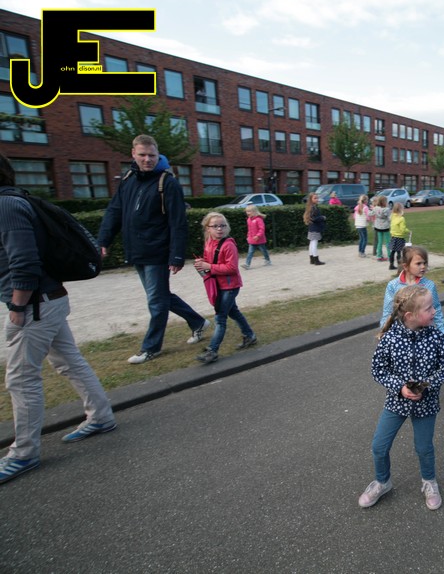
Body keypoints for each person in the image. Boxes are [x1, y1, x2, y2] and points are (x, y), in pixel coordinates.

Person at [0, 154, 116, 485]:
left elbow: (24, 262)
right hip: (47, 300)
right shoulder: (15, 201)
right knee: (69, 362)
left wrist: (17, 307)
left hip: (35, 305)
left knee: (21, 379)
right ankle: (101, 416)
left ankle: (23, 454)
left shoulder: (5, 206)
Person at [97, 134, 210, 365]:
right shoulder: (128, 179)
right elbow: (114, 211)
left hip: (157, 251)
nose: (147, 159)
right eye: (142, 155)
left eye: (152, 155)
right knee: (159, 296)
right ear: (133, 154)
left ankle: (151, 348)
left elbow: (178, 222)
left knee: (156, 301)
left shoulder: (167, 183)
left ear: (158, 155)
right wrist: (103, 240)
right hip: (137, 249)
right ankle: (197, 321)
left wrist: (176, 255)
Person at [359, 285, 444, 510]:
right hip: (396, 402)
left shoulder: (436, 336)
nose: (434, 311)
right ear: (410, 315)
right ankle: (382, 482)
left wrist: (427, 385)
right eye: (429, 308)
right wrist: (400, 387)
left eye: (433, 306)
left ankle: (429, 482)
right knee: (379, 446)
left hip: (426, 404)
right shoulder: (389, 339)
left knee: (424, 448)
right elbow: (378, 370)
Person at [192, 213, 257, 364]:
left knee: (220, 318)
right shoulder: (209, 242)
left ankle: (212, 351)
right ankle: (250, 336)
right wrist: (202, 263)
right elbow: (210, 261)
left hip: (230, 286)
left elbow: (232, 268)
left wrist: (209, 266)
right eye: (215, 226)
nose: (219, 229)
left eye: (222, 225)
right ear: (207, 228)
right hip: (219, 285)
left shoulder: (228, 245)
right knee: (233, 312)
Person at [380, 245, 444, 333]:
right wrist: (384, 332)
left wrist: (443, 331)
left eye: (424, 263)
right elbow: (388, 311)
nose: (423, 266)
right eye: (418, 263)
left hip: (424, 333)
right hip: (400, 333)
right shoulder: (393, 285)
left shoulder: (429, 285)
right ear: (406, 266)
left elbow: (436, 309)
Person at [243, 204, 271, 269]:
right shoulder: (248, 220)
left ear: (254, 211)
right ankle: (247, 264)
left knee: (263, 251)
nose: (247, 213)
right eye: (247, 211)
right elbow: (249, 230)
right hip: (252, 240)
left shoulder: (259, 219)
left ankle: (267, 260)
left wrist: (258, 236)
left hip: (260, 240)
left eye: (249, 211)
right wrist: (248, 236)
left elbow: (262, 229)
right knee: (250, 252)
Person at [303, 193, 326, 266]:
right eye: (315, 198)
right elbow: (314, 218)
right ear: (311, 199)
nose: (317, 199)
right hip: (315, 228)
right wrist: (322, 217)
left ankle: (312, 259)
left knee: (312, 243)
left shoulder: (310, 207)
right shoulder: (313, 208)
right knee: (314, 244)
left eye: (317, 198)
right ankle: (316, 260)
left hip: (312, 227)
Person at [388, 203, 409, 271]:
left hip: (393, 236)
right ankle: (400, 267)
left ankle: (391, 265)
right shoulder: (401, 218)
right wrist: (408, 231)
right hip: (399, 237)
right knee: (399, 252)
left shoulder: (392, 216)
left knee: (393, 251)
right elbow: (403, 229)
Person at [371, 195, 391, 262]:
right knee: (388, 242)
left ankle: (379, 256)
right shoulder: (386, 209)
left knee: (380, 242)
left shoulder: (375, 208)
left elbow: (371, 214)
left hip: (378, 227)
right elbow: (389, 218)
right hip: (385, 227)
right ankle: (389, 256)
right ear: (384, 202)